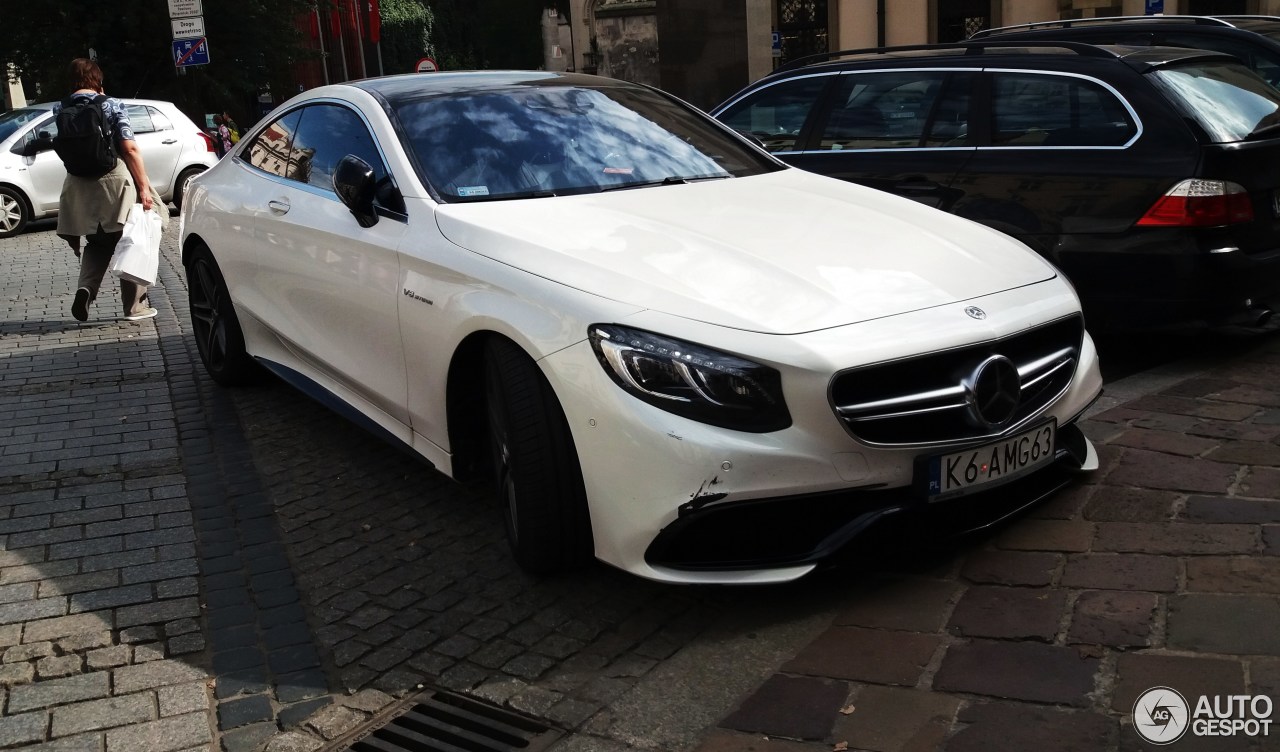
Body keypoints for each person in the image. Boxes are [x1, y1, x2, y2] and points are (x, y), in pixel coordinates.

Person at [55, 58, 164, 322]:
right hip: (114, 181)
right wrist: (144, 188)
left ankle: (86, 289)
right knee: (131, 240)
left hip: (79, 185)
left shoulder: (60, 108)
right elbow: (129, 149)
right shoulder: (111, 104)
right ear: (98, 80)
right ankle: (134, 307)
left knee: (97, 242)